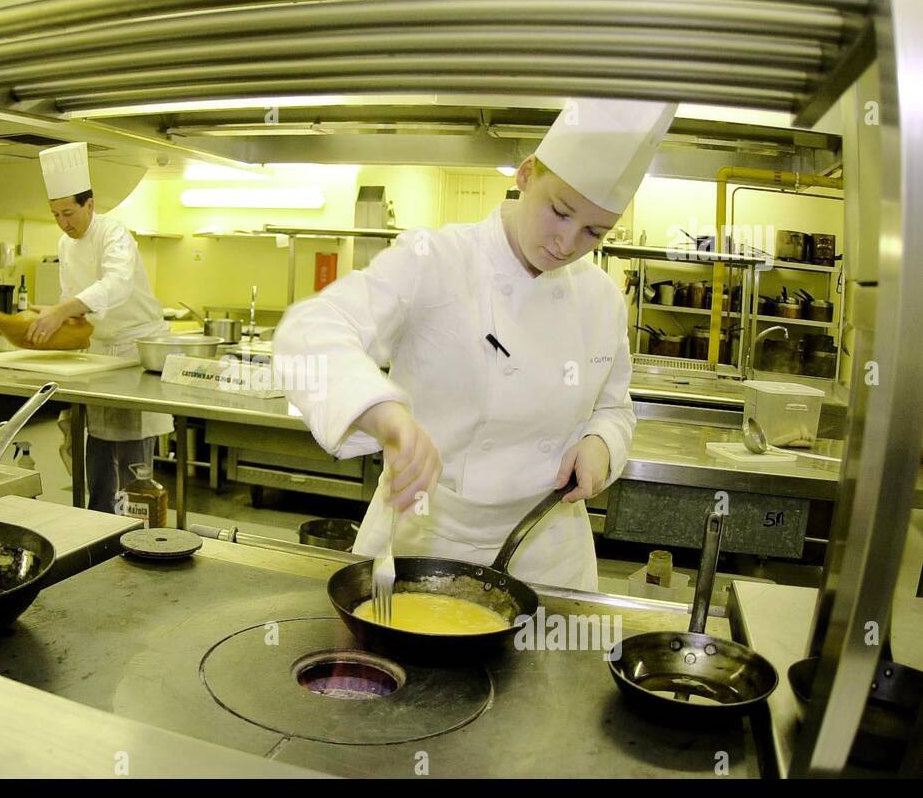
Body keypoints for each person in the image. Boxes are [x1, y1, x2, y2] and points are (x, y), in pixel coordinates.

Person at [274, 99, 677, 590]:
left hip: (547, 550)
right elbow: (310, 331)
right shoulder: (436, 260)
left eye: (594, 231)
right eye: (560, 211)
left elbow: (615, 408)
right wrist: (387, 416)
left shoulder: (602, 299)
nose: (567, 244)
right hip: (424, 539)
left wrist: (602, 444)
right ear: (527, 174)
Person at [26, 142, 173, 513]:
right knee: (96, 456)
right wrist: (54, 317)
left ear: (89, 204)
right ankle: (98, 527)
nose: (63, 222)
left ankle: (137, 532)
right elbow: (71, 298)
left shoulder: (114, 233)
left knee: (132, 465)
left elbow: (117, 285)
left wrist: (62, 310)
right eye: (56, 214)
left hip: (134, 352)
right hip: (98, 358)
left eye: (69, 212)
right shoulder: (65, 243)